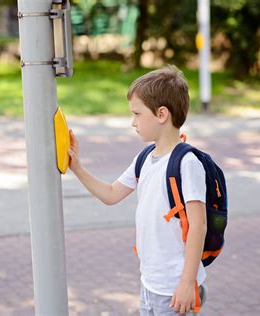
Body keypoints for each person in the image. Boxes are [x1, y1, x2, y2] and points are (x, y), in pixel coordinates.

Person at [68, 65, 207, 315]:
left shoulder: (187, 163)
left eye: (137, 114)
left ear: (161, 114)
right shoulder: (145, 158)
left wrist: (187, 282)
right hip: (149, 284)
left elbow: (199, 225)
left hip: (174, 288)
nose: (133, 122)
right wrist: (77, 167)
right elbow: (111, 194)